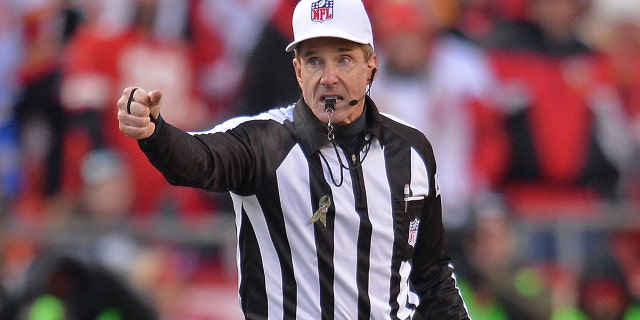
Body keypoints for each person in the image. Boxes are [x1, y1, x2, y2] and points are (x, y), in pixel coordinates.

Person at [117, 0, 469, 318]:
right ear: (298, 71)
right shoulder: (264, 142)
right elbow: (197, 159)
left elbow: (432, 274)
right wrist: (156, 133)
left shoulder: (410, 149)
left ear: (371, 68)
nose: (328, 78)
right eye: (315, 60)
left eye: (343, 59)